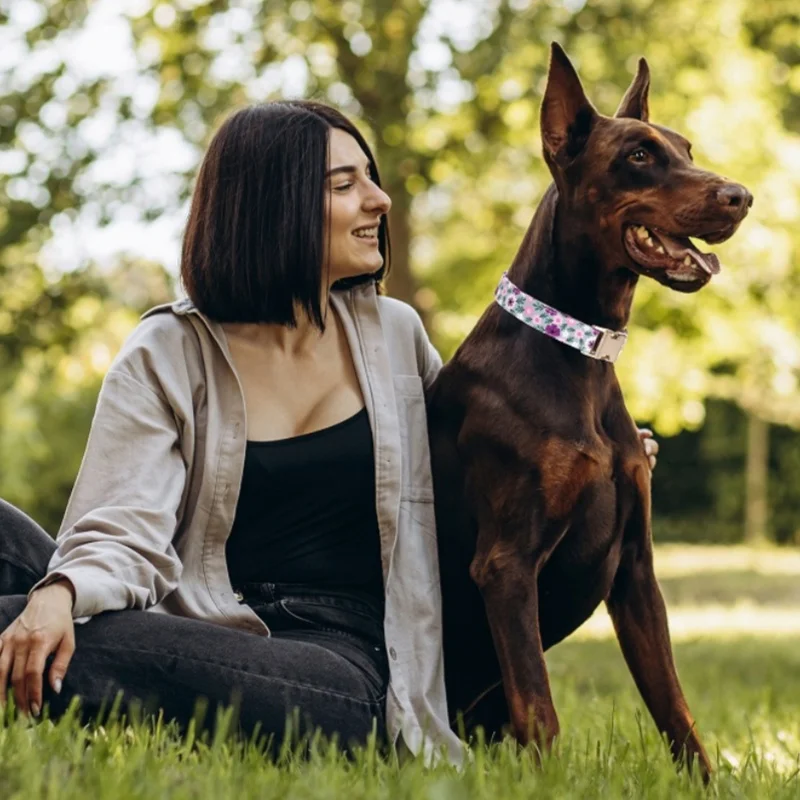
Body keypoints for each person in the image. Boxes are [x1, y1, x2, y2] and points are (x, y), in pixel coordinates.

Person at [0, 100, 659, 763]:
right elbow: (124, 524)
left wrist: (601, 462)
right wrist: (60, 594)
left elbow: (487, 462)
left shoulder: (394, 336)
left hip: (345, 667)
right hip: (193, 618)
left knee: (93, 643)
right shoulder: (168, 351)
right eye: (346, 185)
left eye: (369, 178)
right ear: (270, 204)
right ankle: (38, 624)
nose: (380, 200)